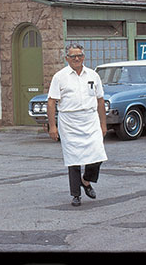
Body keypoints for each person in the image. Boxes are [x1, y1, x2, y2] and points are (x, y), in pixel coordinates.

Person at [46, 44, 108, 207]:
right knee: (73, 160)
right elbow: (51, 102)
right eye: (73, 56)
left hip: (90, 119)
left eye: (79, 55)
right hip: (69, 121)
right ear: (67, 58)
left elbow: (100, 100)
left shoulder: (93, 75)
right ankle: (76, 195)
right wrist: (53, 126)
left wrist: (103, 124)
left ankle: (86, 181)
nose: (76, 59)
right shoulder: (60, 77)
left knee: (98, 154)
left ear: (84, 57)